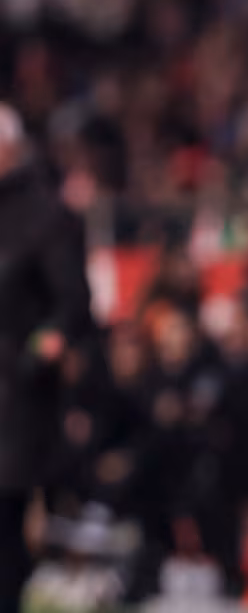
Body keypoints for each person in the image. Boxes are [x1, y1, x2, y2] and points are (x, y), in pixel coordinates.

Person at [0, 104, 96, 612]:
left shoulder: (44, 216)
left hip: (14, 397)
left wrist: (39, 349)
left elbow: (72, 303)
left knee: (5, 523)